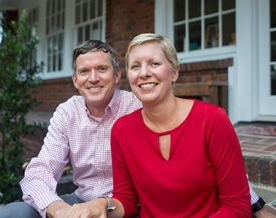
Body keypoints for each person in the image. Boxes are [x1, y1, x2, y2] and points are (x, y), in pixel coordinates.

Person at [0, 39, 274, 218]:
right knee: (14, 214)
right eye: (84, 71)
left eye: (102, 70)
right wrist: (59, 210)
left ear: (117, 76)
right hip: (85, 203)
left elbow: (215, 164)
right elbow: (42, 169)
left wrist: (256, 205)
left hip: (128, 208)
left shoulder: (138, 106)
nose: (93, 78)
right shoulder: (69, 113)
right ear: (74, 80)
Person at [66, 33, 252, 217]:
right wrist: (102, 205)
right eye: (136, 66)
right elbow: (127, 199)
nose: (144, 73)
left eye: (154, 64)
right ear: (128, 76)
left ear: (174, 72)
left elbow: (237, 205)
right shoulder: (122, 130)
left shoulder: (211, 119)